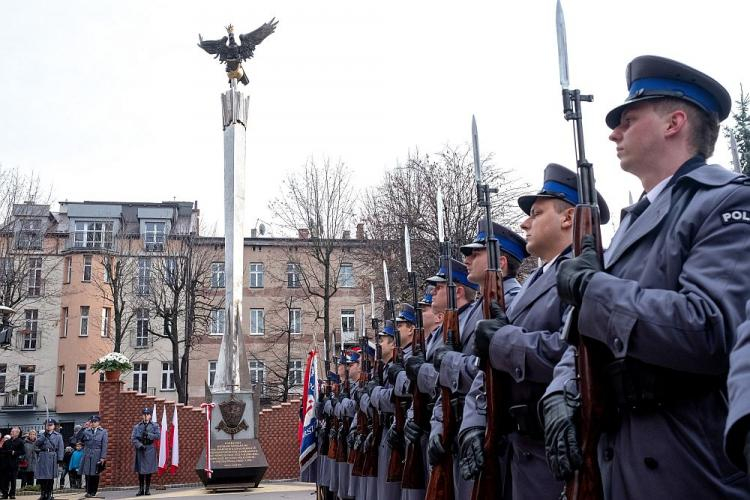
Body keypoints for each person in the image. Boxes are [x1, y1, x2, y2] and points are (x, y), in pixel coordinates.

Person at [542, 55, 750, 498]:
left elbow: (709, 328)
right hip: (617, 454)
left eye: (628, 120)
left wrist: (594, 287)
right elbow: (578, 336)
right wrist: (560, 392)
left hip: (687, 461)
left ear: (674, 122)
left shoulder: (725, 204)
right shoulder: (630, 224)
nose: (614, 132)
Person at [462, 164, 609, 499]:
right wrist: (474, 419)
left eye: (536, 213)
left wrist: (503, 340)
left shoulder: (586, 272)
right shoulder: (535, 283)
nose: (525, 222)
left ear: (568, 218)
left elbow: (572, 350)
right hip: (520, 453)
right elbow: (489, 369)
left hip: (555, 450)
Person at [132, 408, 160, 496]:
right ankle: (141, 489)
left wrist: (148, 435)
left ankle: (147, 489)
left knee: (148, 471)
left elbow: (158, 436)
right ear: (142, 415)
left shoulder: (155, 425)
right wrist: (139, 445)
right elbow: (133, 438)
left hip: (150, 449)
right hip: (141, 449)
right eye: (144, 414)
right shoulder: (137, 426)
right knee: (140, 471)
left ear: (150, 416)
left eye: (147, 414)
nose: (146, 416)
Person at [77, 415, 107, 498]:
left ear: (98, 422)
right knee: (87, 473)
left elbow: (104, 445)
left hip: (97, 453)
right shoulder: (86, 431)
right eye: (92, 422)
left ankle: (94, 491)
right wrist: (83, 428)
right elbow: (78, 438)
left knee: (95, 473)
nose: (93, 423)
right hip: (87, 453)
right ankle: (88, 491)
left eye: (95, 422)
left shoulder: (103, 432)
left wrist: (103, 457)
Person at [34, 419, 63, 500]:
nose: (49, 426)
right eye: (47, 425)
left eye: (50, 425)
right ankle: (43, 493)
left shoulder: (58, 436)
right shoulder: (41, 434)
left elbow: (60, 447)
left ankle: (49, 493)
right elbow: (37, 443)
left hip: (52, 456)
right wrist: (44, 436)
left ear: (54, 426)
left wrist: (60, 459)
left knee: (50, 477)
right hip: (43, 456)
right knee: (42, 477)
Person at [2, 427, 26, 498]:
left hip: (14, 463)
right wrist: (8, 452)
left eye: (13, 431)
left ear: (17, 433)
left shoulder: (20, 441)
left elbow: (23, 452)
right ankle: (5, 494)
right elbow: (2, 451)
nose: (11, 432)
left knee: (13, 479)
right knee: (5, 479)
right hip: (6, 463)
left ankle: (12, 494)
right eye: (11, 431)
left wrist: (14, 452)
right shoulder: (7, 442)